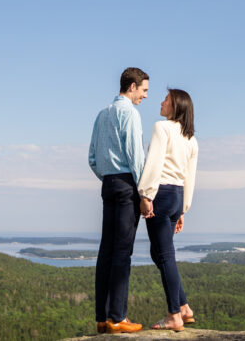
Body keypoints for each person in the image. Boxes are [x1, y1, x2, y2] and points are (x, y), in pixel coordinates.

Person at [88, 67, 149, 334]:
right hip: (126, 185)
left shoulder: (102, 115)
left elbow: (92, 157)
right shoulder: (130, 114)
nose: (145, 96)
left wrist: (107, 177)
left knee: (106, 251)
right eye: (144, 90)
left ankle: (102, 318)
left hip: (108, 184)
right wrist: (145, 192)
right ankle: (118, 318)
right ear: (132, 87)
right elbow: (136, 156)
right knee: (122, 253)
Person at [138, 88, 199, 332]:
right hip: (176, 196)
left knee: (163, 255)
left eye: (167, 100)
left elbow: (154, 162)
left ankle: (175, 314)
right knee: (160, 253)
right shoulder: (191, 139)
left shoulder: (161, 128)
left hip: (160, 194)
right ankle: (183, 306)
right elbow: (190, 177)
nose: (161, 102)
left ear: (176, 107)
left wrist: (145, 194)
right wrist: (183, 209)